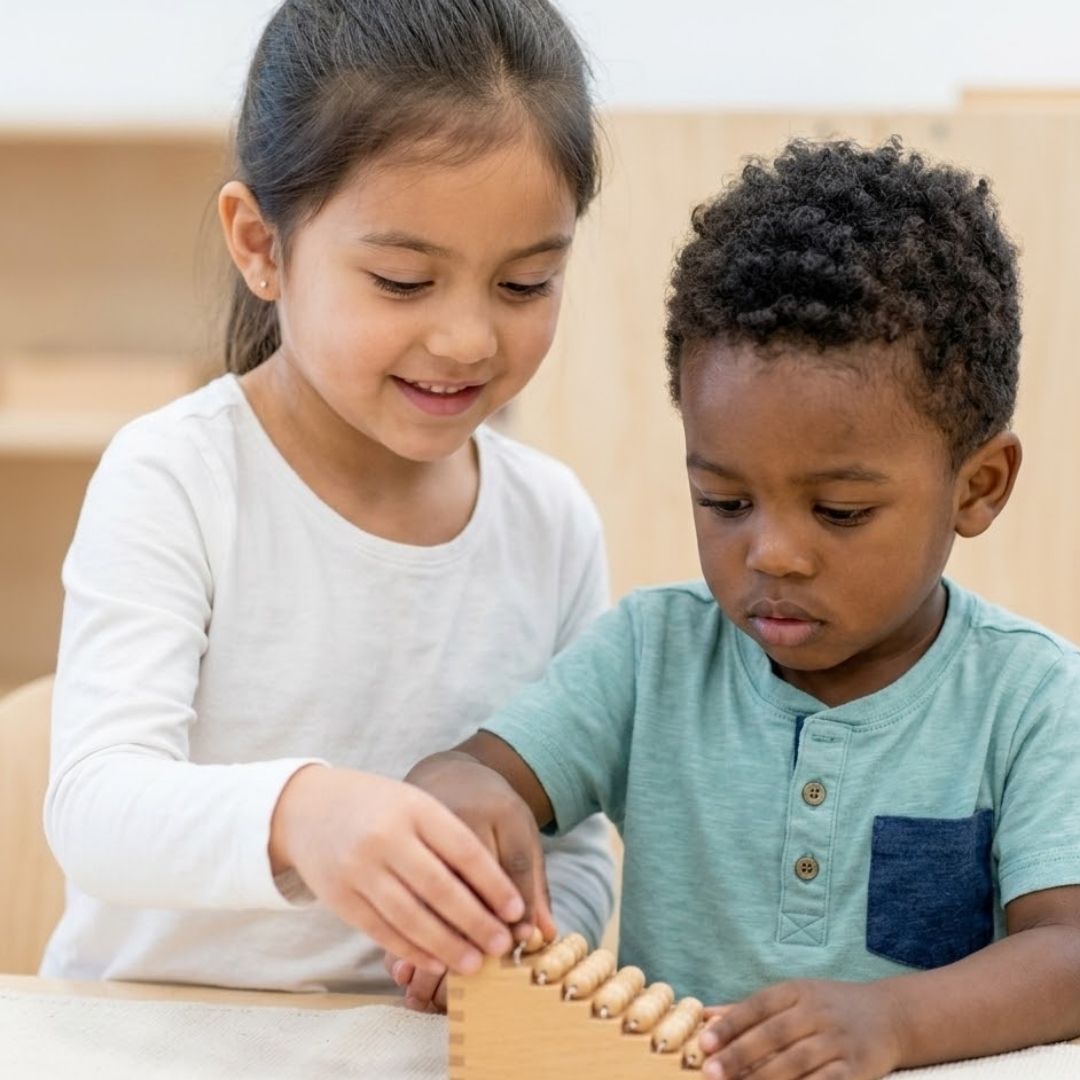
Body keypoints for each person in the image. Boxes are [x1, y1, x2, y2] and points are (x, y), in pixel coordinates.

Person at [407, 138, 1080, 1077]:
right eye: (724, 501)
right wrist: (459, 820)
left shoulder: (1033, 696)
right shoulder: (653, 653)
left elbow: (1068, 954)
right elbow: (466, 775)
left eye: (840, 511)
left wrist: (894, 1023)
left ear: (978, 486)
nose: (772, 553)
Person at [42, 0, 615, 999]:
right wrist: (301, 814)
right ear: (262, 245)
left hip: (400, 1050)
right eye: (402, 281)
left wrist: (523, 931)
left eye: (526, 284)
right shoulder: (178, 478)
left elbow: (578, 834)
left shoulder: (551, 522)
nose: (470, 338)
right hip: (147, 1041)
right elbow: (95, 808)